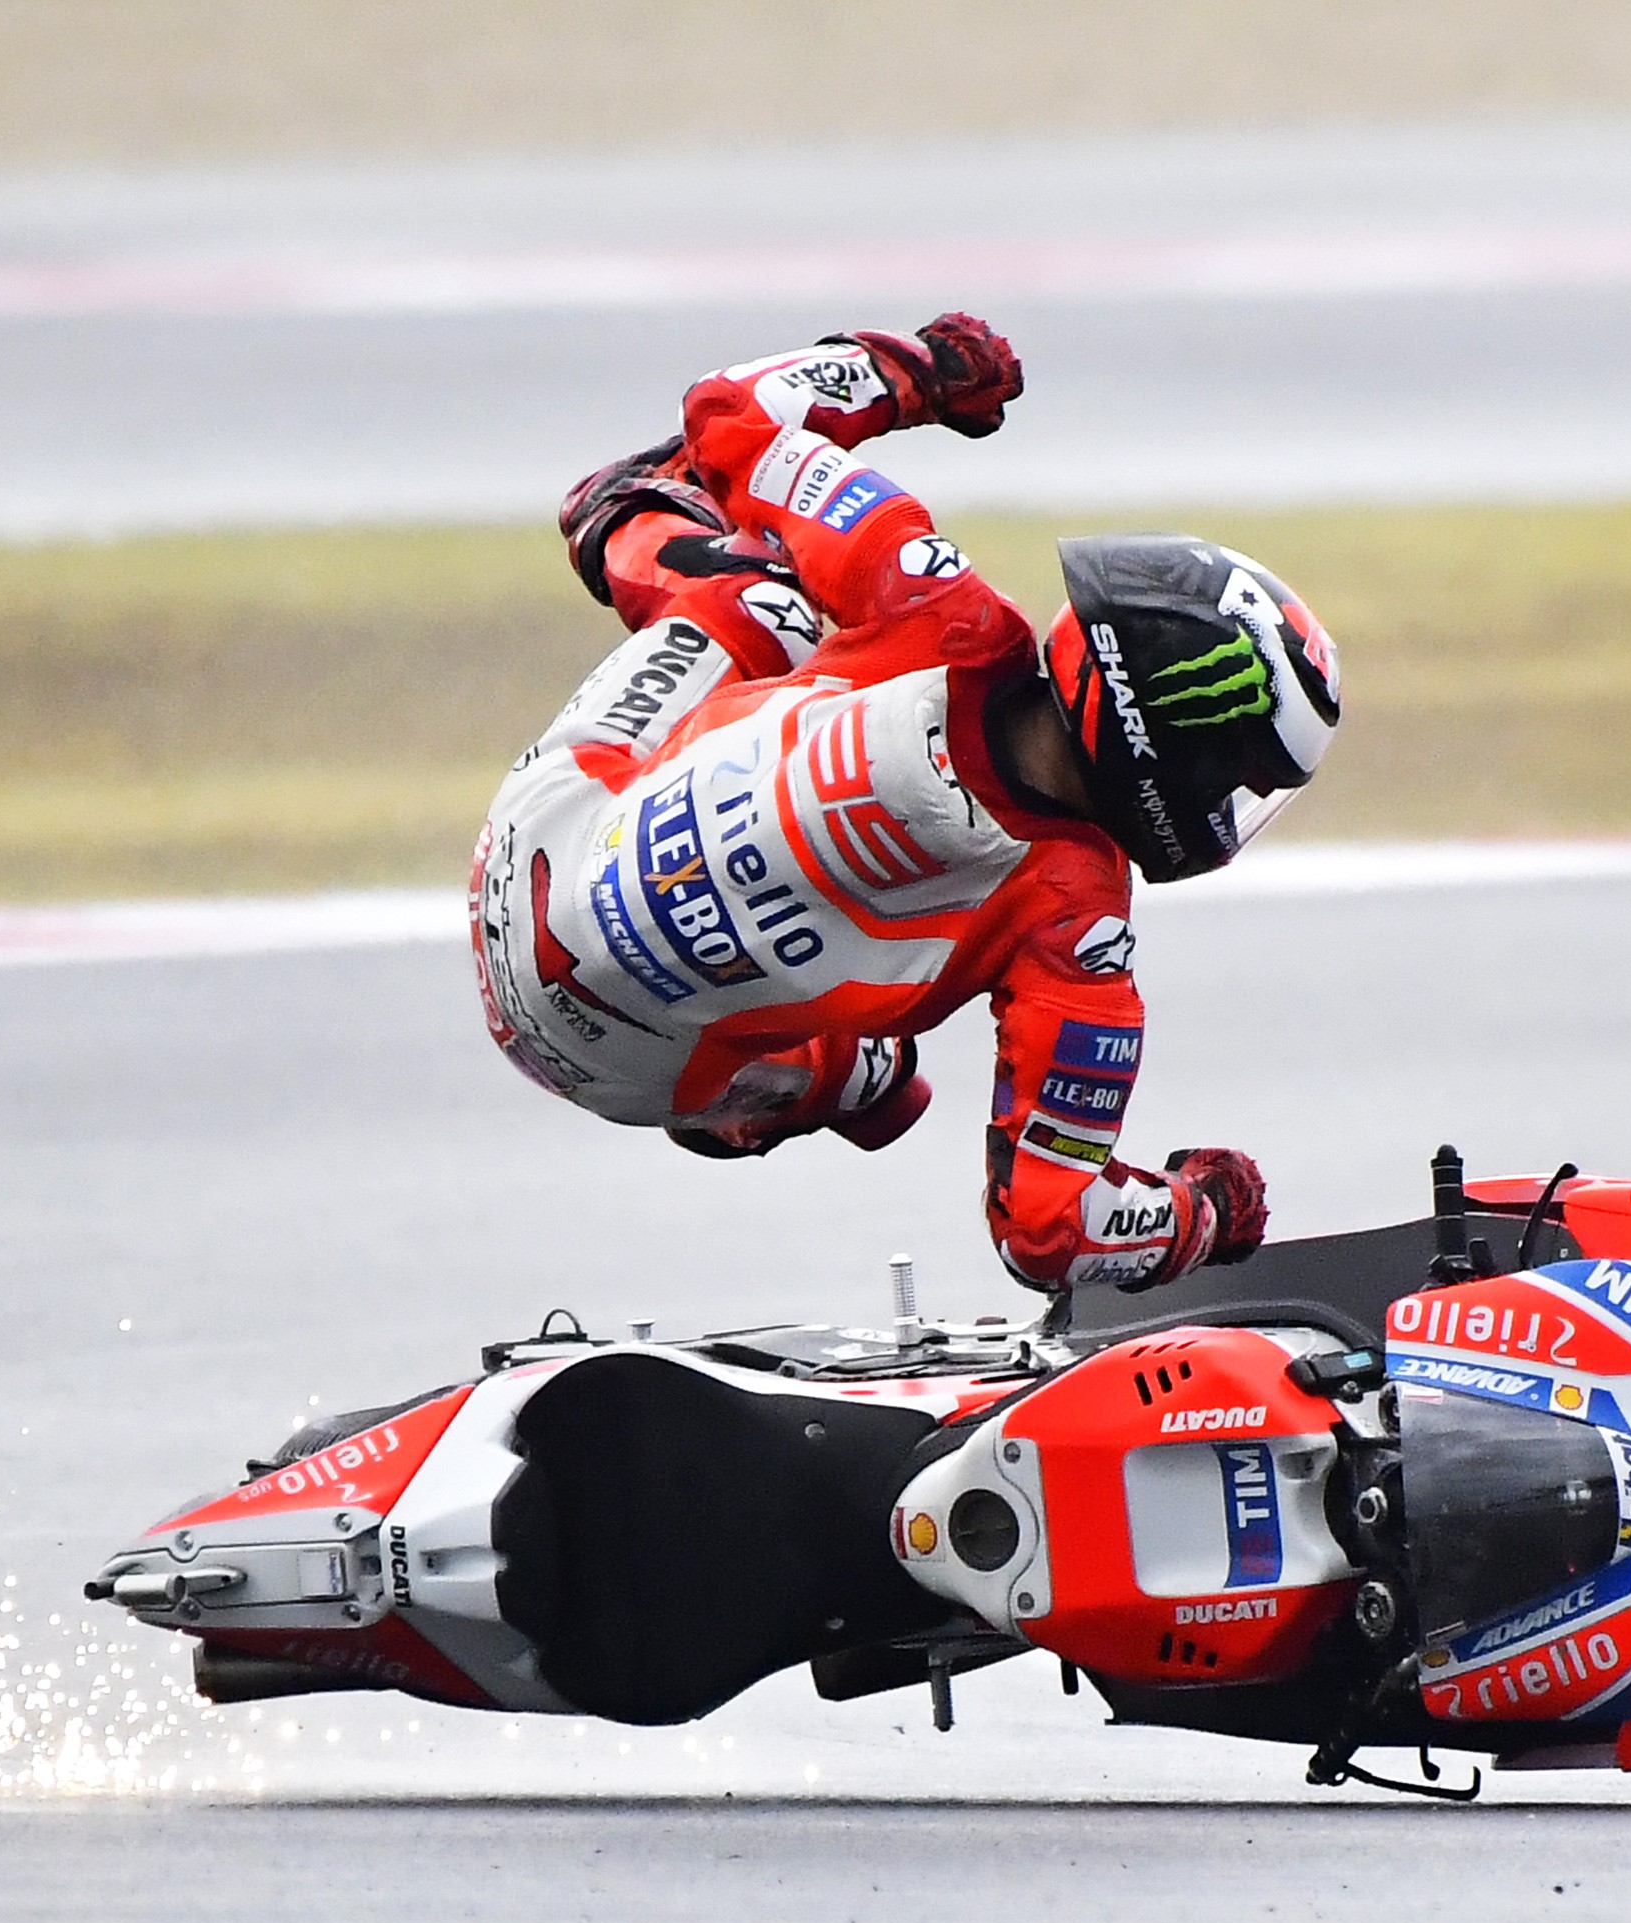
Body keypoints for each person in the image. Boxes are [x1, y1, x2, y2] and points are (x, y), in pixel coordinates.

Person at [471, 311, 1343, 1292]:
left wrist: (919, 372)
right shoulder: (1077, 932)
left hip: (525, 853)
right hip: (620, 1072)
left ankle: (630, 520)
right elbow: (1049, 1233)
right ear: (1172, 759)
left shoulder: (931, 598)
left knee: (764, 598)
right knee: (890, 1089)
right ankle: (825, 1086)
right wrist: (1202, 1211)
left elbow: (732, 411)